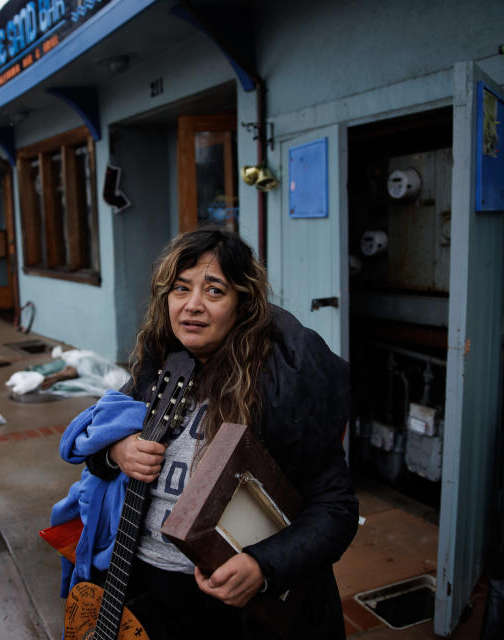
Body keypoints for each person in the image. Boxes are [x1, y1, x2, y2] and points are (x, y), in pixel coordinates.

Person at [53, 227, 358, 639]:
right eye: (181, 289)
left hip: (228, 608)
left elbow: (335, 510)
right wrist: (117, 452)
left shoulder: (280, 389)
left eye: (214, 291)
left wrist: (263, 566)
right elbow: (97, 453)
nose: (192, 306)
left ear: (242, 305)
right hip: (139, 584)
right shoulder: (160, 367)